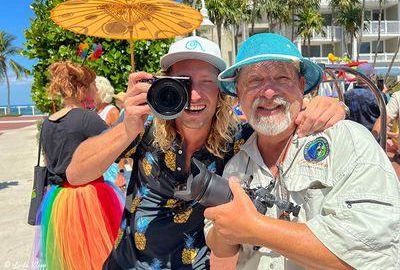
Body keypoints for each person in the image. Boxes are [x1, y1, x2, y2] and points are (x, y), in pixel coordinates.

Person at [67, 36, 347, 269]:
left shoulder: (240, 141)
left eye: (206, 82)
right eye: (184, 82)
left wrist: (329, 107)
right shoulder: (143, 127)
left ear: (224, 92)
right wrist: (126, 127)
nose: (195, 95)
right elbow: (76, 173)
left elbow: (282, 119)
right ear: (165, 84)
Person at [204, 33, 400, 269]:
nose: (268, 92)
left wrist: (255, 227)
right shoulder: (236, 164)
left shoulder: (348, 141)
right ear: (238, 92)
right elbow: (222, 247)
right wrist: (225, 227)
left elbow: (371, 251)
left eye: (281, 77)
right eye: (254, 81)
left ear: (301, 86)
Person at [34, 62, 124, 269]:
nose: (96, 89)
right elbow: (118, 145)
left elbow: (50, 163)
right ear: (83, 88)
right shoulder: (87, 119)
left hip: (59, 199)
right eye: (93, 85)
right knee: (100, 257)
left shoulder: (49, 122)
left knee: (71, 259)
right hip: (89, 196)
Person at [344, 63, 386, 131]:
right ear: (372, 76)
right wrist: (383, 94)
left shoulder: (346, 95)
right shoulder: (379, 96)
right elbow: (384, 118)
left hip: (353, 136)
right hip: (373, 137)